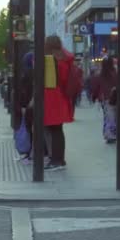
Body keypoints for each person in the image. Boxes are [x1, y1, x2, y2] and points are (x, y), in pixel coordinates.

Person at [43, 35, 74, 171]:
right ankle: (59, 159)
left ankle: (56, 160)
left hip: (53, 97)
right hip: (61, 97)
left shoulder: (53, 60)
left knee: (54, 129)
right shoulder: (64, 58)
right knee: (57, 129)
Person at [91, 57, 117, 143]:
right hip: (116, 98)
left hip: (105, 98)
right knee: (115, 116)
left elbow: (96, 88)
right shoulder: (116, 73)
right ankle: (114, 132)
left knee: (108, 116)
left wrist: (94, 97)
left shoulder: (100, 75)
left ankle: (109, 134)